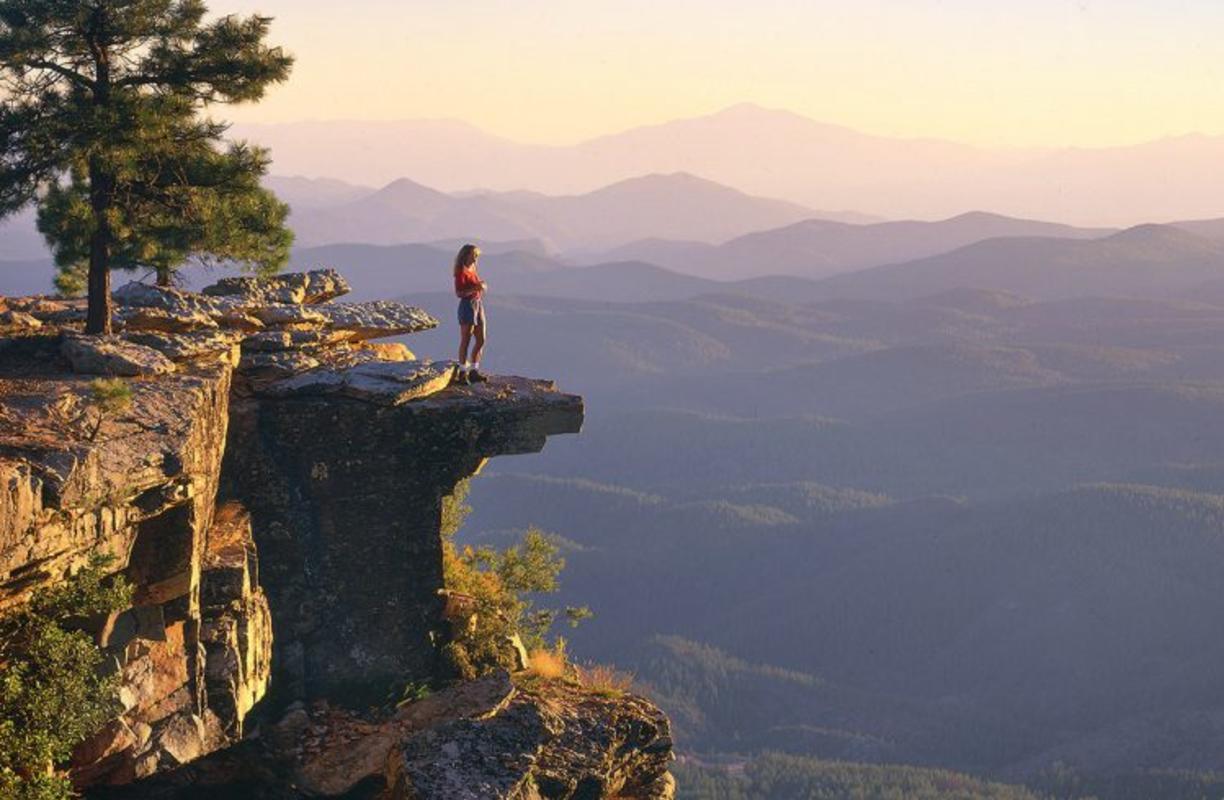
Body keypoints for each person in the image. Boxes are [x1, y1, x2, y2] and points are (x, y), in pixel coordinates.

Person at [452, 243, 488, 385]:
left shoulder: (473, 268)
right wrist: (476, 287)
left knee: (481, 339)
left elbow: (475, 285)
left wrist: (481, 286)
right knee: (466, 340)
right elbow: (459, 293)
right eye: (473, 255)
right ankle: (462, 372)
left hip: (478, 304)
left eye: (476, 256)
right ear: (465, 255)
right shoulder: (460, 271)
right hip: (467, 305)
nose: (475, 258)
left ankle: (474, 370)